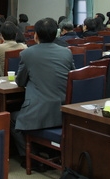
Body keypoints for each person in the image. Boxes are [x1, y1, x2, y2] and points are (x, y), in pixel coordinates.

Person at [11, 18, 75, 165]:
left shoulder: (28, 53)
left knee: (13, 117)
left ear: (36, 35)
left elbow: (20, 81)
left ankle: (30, 157)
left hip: (39, 111)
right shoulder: (67, 53)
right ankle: (46, 150)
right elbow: (73, 76)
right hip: (64, 109)